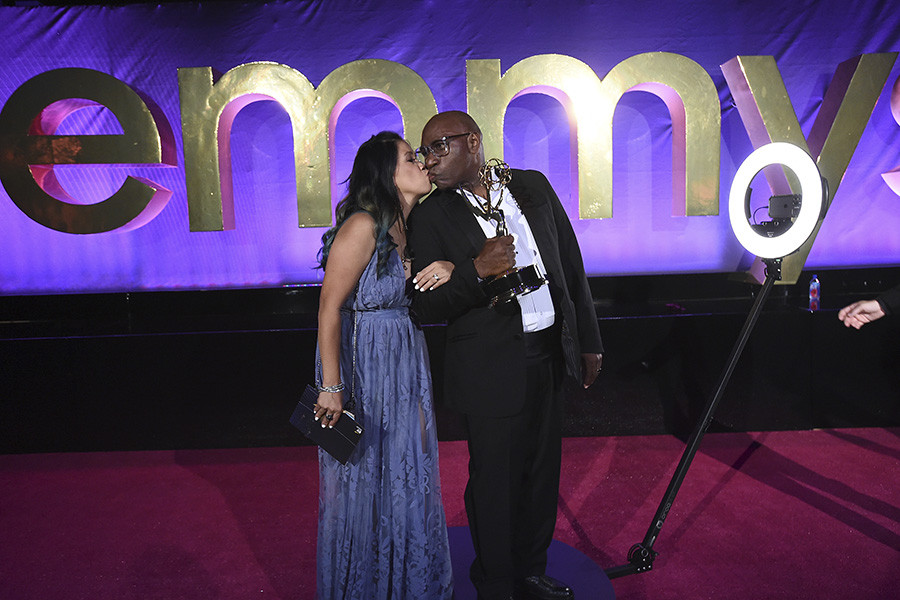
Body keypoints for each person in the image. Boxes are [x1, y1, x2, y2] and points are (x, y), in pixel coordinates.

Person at [407, 111, 603, 600]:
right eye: (425, 151)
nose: (430, 160)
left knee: (541, 475)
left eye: (440, 146)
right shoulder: (431, 215)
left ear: (472, 142)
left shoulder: (531, 186)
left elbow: (571, 264)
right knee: (494, 483)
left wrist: (589, 339)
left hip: (548, 355)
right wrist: (476, 270)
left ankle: (531, 571)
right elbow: (426, 304)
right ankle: (496, 581)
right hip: (488, 369)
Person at [313, 131, 454, 599]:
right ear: (386, 174)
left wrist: (450, 268)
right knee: (364, 481)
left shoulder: (406, 227)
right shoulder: (364, 225)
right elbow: (329, 307)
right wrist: (330, 387)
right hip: (364, 369)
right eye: (410, 158)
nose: (422, 163)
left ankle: (402, 585)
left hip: (404, 364)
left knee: (404, 471)